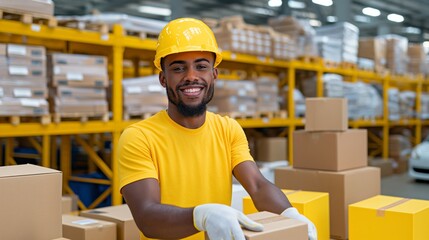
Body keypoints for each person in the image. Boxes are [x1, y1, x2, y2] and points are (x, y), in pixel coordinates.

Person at [118, 17, 317, 240]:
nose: (191, 76)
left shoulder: (227, 129)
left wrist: (288, 214)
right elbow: (147, 216)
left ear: (214, 74)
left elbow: (258, 185)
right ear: (163, 79)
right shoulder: (139, 137)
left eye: (201, 66)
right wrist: (199, 216)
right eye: (178, 68)